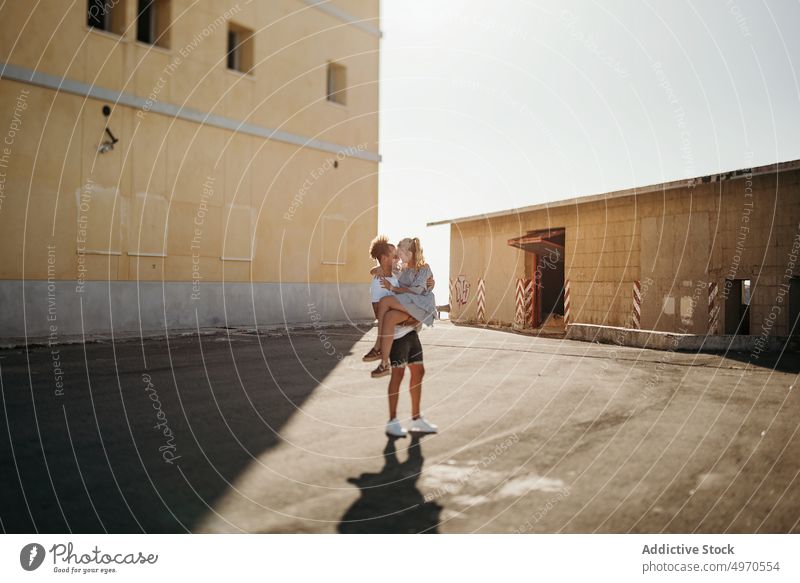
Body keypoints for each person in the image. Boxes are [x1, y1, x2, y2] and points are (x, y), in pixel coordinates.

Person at [369, 237, 436, 378]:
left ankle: (377, 345)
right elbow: (385, 268)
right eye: (396, 256)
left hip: (420, 304)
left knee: (385, 302)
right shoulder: (403, 269)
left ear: (410, 254)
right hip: (408, 304)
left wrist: (393, 287)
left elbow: (417, 292)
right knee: (389, 317)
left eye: (400, 255)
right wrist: (376, 270)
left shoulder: (424, 268)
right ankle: (384, 364)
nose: (398, 258)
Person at [384, 325, 438, 437]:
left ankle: (416, 418)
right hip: (397, 336)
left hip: (412, 333)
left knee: (419, 371)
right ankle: (392, 421)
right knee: (398, 375)